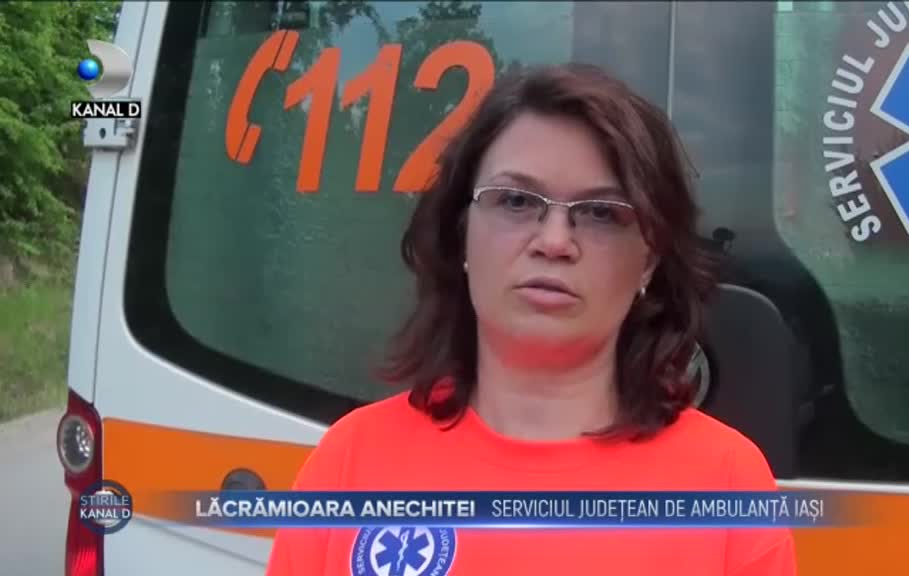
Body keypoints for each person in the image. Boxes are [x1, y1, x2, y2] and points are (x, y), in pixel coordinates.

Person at [266, 63, 796, 576]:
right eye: (517, 201)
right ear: (462, 233)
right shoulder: (352, 461)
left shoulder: (727, 485)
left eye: (601, 213)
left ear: (648, 261)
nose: (554, 241)